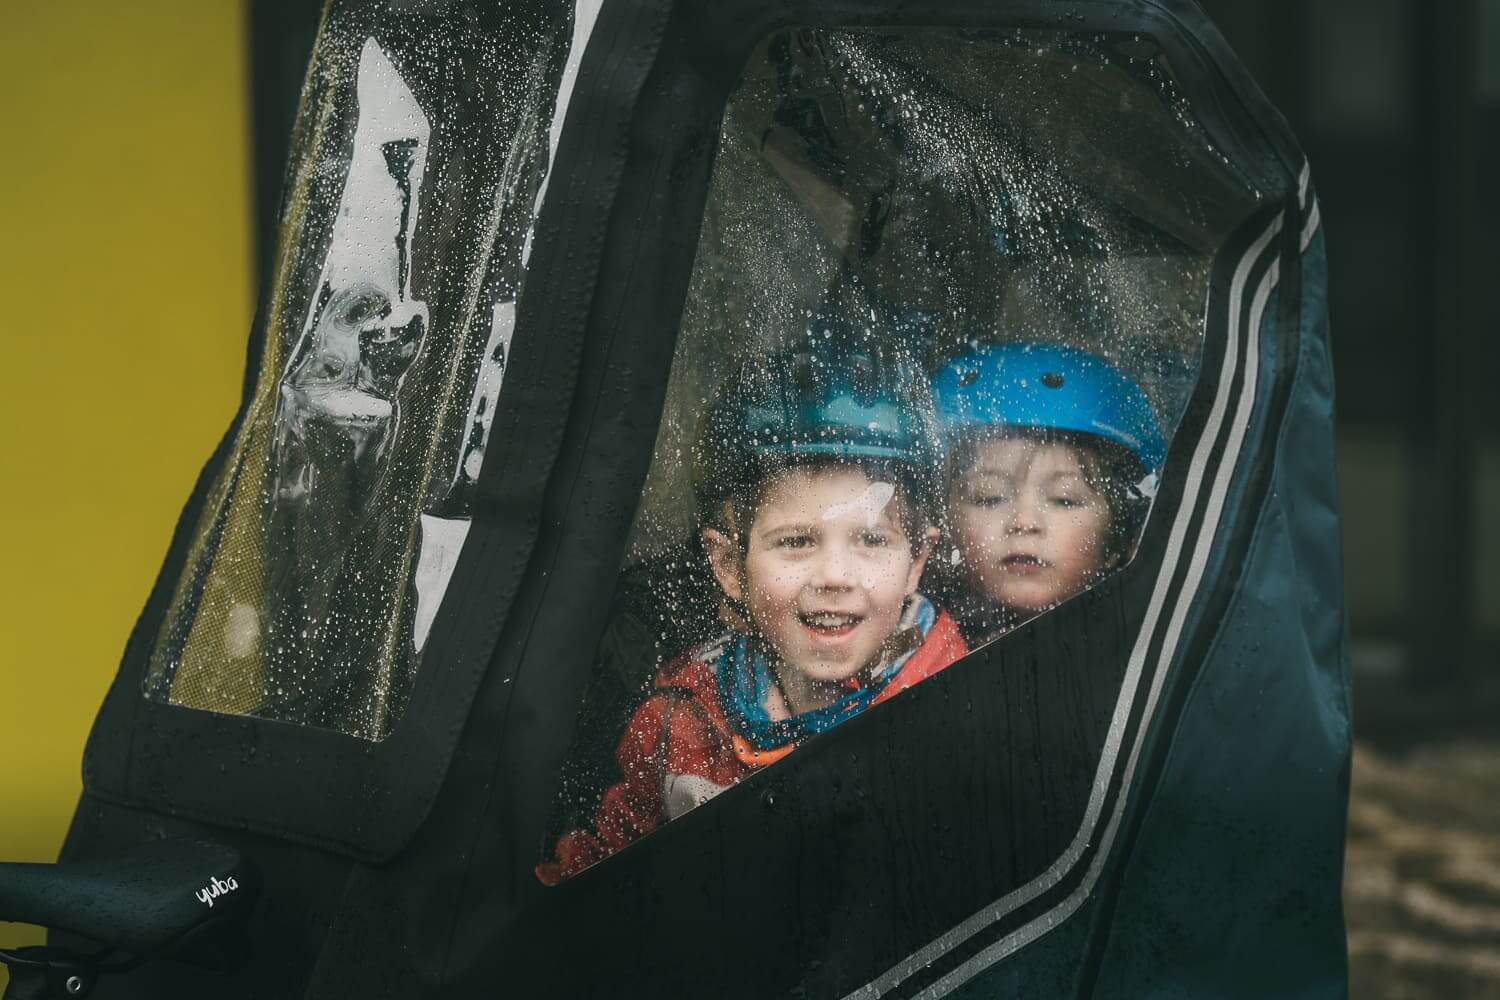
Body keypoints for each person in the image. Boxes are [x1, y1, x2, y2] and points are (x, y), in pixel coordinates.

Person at [538, 337, 968, 884]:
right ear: (728, 567)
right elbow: (609, 870)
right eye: (795, 542)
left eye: (870, 540)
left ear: (916, 562)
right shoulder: (682, 718)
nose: (835, 576)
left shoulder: (954, 708)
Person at [928, 342, 1166, 646]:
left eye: (1064, 499)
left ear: (1119, 536)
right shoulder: (906, 650)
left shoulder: (1150, 650)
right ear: (942, 525)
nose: (1024, 522)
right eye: (989, 497)